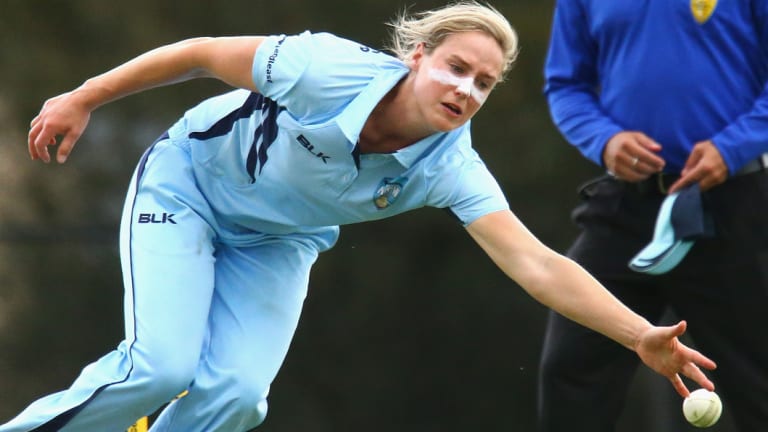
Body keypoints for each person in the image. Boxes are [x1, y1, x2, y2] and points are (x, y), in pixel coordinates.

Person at [6, 2, 715, 431]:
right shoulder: (324, 68)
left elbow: (537, 263)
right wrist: (84, 97)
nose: (466, 90)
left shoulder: (452, 167)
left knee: (238, 398)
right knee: (160, 370)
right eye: (456, 68)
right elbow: (199, 57)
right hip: (185, 189)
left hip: (278, 242)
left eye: (483, 84)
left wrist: (639, 336)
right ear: (417, 58)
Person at [539, 1, 768, 431]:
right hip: (626, 208)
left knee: (760, 379)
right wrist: (604, 140)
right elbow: (566, 85)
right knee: (570, 367)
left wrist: (733, 146)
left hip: (733, 209)